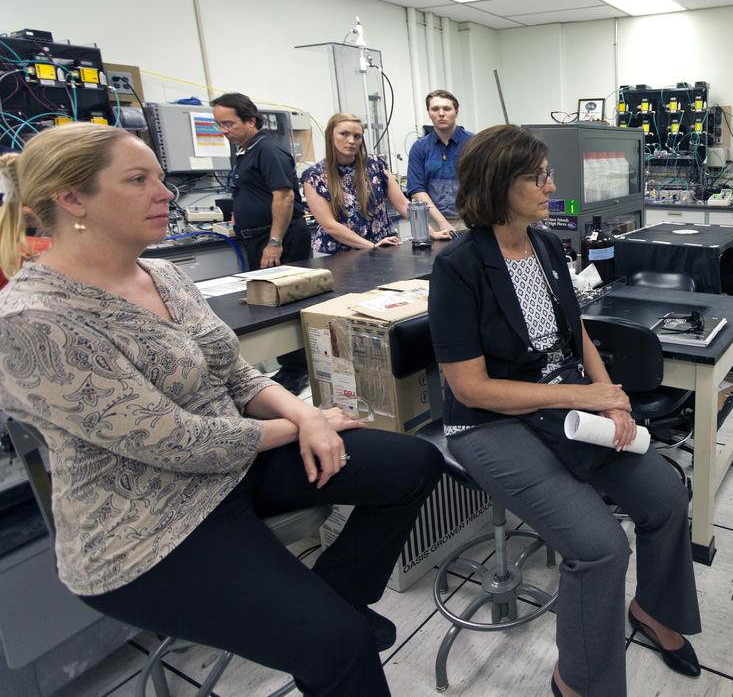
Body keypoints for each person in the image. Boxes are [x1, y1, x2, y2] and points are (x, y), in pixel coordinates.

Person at [0, 125, 444, 696]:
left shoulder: (160, 274)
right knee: (340, 647)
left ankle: (339, 598)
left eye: (159, 177)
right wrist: (300, 424)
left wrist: (308, 418)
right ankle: (333, 626)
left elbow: (235, 372)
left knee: (414, 464)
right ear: (71, 198)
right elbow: (177, 443)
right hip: (149, 522)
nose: (165, 193)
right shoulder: (33, 321)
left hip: (235, 468)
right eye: (139, 180)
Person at [429, 125, 701, 697]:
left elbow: (575, 333)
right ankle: (577, 680)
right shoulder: (458, 267)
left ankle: (652, 608)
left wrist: (613, 397)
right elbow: (472, 388)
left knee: (666, 495)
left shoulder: (547, 243)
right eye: (539, 177)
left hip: (564, 404)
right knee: (600, 548)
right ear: (500, 185)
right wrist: (581, 397)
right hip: (490, 422)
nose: (552, 185)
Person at [211, 92, 310, 392]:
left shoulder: (268, 150)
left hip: (279, 238)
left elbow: (285, 196)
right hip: (259, 238)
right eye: (220, 125)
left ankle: (298, 369)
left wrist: (274, 242)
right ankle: (288, 366)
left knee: (284, 306)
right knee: (268, 304)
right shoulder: (247, 150)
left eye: (229, 124)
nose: (224, 131)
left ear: (250, 120)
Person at [301, 112, 432, 253]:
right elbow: (329, 225)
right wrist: (371, 246)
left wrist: (429, 233)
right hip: (339, 255)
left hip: (383, 248)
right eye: (344, 134)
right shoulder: (314, 176)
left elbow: (403, 204)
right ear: (330, 136)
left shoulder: (375, 165)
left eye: (357, 136)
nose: (351, 140)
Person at [406, 89, 471, 236]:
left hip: (470, 221)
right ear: (429, 113)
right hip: (433, 224)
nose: (441, 113)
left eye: (447, 108)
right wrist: (442, 223)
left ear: (456, 112)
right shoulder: (419, 148)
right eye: (435, 109)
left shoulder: (474, 144)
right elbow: (416, 189)